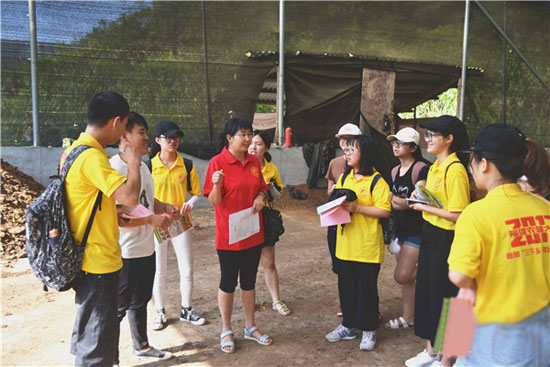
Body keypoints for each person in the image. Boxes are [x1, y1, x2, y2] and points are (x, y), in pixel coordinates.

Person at [448, 124, 550, 367]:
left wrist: (468, 285)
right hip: (541, 335)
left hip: (494, 341)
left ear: (484, 164)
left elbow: (460, 277)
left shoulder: (476, 214)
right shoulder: (545, 209)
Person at [62, 91, 141, 366]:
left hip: (85, 259)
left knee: (89, 337)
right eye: (125, 126)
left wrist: (112, 213)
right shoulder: (92, 158)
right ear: (117, 122)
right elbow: (130, 195)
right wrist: (133, 162)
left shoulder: (72, 152)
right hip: (97, 265)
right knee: (95, 348)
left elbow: (87, 203)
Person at [110, 112, 177, 365]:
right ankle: (110, 357)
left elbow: (146, 201)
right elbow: (118, 217)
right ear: (124, 136)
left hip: (146, 248)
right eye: (141, 132)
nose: (147, 138)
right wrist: (150, 220)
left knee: (140, 301)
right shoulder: (113, 168)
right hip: (124, 253)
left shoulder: (143, 167)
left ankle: (142, 345)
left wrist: (164, 207)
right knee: (116, 309)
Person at [405, 115, 470, 367]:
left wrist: (424, 207)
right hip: (431, 234)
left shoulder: (456, 170)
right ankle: (431, 350)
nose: (427, 139)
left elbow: (459, 214)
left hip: (448, 238)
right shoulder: (434, 167)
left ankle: (449, 358)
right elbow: (435, 202)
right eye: (427, 134)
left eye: (432, 135)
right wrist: (420, 194)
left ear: (449, 139)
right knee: (430, 292)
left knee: (449, 295)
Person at [203, 117, 272, 354]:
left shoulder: (254, 161)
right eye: (242, 134)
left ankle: (250, 327)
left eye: (249, 133)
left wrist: (261, 198)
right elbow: (214, 201)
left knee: (250, 281)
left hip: (252, 232)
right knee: (228, 282)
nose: (248, 139)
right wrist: (216, 185)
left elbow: (262, 188)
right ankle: (226, 329)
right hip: (229, 236)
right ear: (229, 138)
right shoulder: (217, 163)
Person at [325, 134, 391, 351]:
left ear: (366, 153)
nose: (348, 153)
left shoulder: (377, 181)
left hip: (367, 248)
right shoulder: (345, 178)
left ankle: (369, 329)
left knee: (367, 290)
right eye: (347, 149)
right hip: (345, 246)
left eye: (353, 149)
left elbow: (384, 210)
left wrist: (358, 208)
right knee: (347, 289)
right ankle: (348, 325)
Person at [149, 120, 206, 330]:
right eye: (168, 137)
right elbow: (145, 197)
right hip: (158, 223)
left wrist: (189, 204)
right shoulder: (149, 166)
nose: (173, 141)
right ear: (158, 140)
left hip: (181, 222)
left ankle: (186, 309)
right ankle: (159, 312)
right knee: (159, 270)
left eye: (176, 137)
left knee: (187, 268)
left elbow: (196, 193)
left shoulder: (187, 164)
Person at [385, 127, 428, 330]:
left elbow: (418, 201)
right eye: (394, 142)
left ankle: (431, 271)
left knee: (402, 275)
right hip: (399, 229)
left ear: (413, 147)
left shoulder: (421, 169)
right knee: (406, 280)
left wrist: (400, 201)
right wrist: (402, 202)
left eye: (400, 143)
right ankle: (407, 317)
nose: (396, 146)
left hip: (416, 230)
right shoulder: (394, 171)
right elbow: (398, 202)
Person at [248, 130, 291, 316]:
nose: (252, 147)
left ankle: (276, 301)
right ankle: (248, 303)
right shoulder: (241, 165)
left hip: (264, 217)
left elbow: (278, 196)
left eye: (258, 144)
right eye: (250, 143)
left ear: (266, 148)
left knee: (269, 263)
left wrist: (271, 188)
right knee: (246, 264)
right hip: (244, 217)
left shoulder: (271, 169)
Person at [325, 122, 362, 316]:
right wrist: (336, 191)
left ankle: (364, 307)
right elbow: (329, 190)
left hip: (360, 223)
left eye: (349, 139)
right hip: (337, 221)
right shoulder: (335, 163)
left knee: (362, 268)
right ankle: (346, 304)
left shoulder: (366, 164)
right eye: (342, 139)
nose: (344, 142)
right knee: (340, 266)